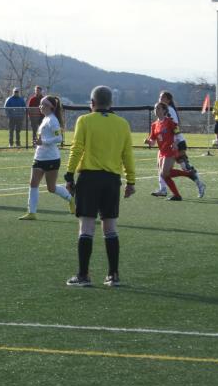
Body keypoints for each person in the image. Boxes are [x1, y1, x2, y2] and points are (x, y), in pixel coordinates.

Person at [63, 86, 136, 287]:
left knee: (86, 226)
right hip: (112, 180)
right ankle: (113, 275)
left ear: (92, 103)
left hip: (89, 179)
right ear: (111, 103)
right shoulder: (122, 124)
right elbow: (127, 154)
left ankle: (83, 275)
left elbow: (76, 148)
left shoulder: (84, 120)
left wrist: (69, 175)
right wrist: (131, 181)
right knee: (110, 227)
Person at [19, 95, 75, 220]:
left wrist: (42, 141)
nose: (40, 106)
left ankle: (71, 199)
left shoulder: (53, 120)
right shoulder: (45, 119)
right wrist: (39, 142)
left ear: (51, 107)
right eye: (40, 104)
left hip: (51, 159)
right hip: (39, 157)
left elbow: (59, 138)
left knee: (51, 188)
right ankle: (31, 212)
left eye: (44, 104)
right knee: (33, 184)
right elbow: (44, 138)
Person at [146, 102, 203, 201]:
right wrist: (148, 142)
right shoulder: (154, 125)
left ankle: (186, 178)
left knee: (164, 173)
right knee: (164, 174)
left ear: (164, 110)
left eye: (159, 108)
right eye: (155, 108)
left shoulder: (169, 121)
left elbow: (177, 132)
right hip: (162, 151)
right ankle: (178, 193)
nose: (156, 110)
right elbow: (153, 142)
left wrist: (176, 143)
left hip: (170, 150)